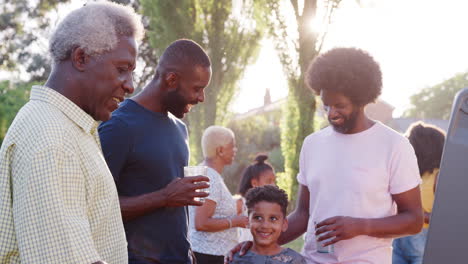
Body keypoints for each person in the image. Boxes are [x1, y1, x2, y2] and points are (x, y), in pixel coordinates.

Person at [226, 47, 423, 264]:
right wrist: (258, 245)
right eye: (326, 105)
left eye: (340, 106)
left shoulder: (394, 146)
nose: (331, 114)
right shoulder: (313, 144)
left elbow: (413, 219)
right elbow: (303, 214)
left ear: (361, 100)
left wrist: (360, 226)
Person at [0, 2, 143, 263]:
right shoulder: (53, 139)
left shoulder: (65, 127)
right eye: (122, 69)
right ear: (81, 58)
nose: (130, 86)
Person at [98, 39, 211, 264]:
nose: (201, 98)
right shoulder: (118, 126)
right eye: (197, 88)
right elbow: (96, 208)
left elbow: (176, 210)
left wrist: (187, 251)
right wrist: (163, 198)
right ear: (171, 80)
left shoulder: (180, 128)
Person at [188, 126, 249, 264]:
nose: (235, 150)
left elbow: (211, 207)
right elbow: (201, 223)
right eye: (232, 146)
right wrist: (236, 221)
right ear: (220, 150)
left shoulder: (205, 172)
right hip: (210, 257)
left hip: (207, 254)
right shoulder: (210, 177)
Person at [392, 122, 446, 264]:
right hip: (398, 236)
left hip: (422, 238)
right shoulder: (408, 174)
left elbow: (446, 218)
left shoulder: (439, 176)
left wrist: (413, 215)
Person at [231, 185, 306, 264]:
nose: (265, 225)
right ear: (248, 221)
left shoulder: (295, 261)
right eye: (258, 218)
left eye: (273, 219)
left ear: (284, 224)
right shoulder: (236, 259)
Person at [237, 154, 276, 242]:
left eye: (274, 181)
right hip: (243, 252)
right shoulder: (241, 204)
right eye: (269, 181)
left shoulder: (272, 206)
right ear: (254, 183)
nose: (273, 185)